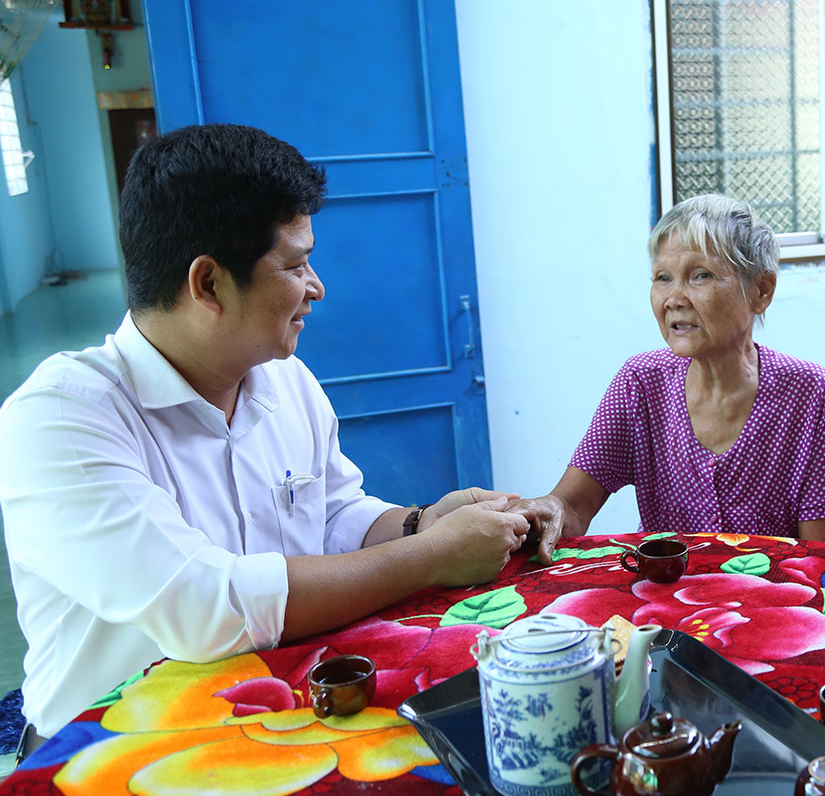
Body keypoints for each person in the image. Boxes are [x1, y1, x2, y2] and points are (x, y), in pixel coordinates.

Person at [0, 124, 530, 754]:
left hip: (272, 715)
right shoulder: (62, 417)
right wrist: (433, 556)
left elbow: (332, 514)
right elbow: (203, 607)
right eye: (294, 263)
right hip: (115, 746)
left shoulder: (285, 381)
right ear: (208, 284)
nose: (316, 286)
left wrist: (418, 522)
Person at [509, 194, 825, 561]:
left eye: (700, 275)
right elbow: (573, 506)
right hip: (664, 606)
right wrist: (547, 510)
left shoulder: (808, 391)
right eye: (662, 278)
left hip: (775, 603)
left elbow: (821, 555)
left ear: (761, 290)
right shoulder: (641, 384)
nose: (673, 298)